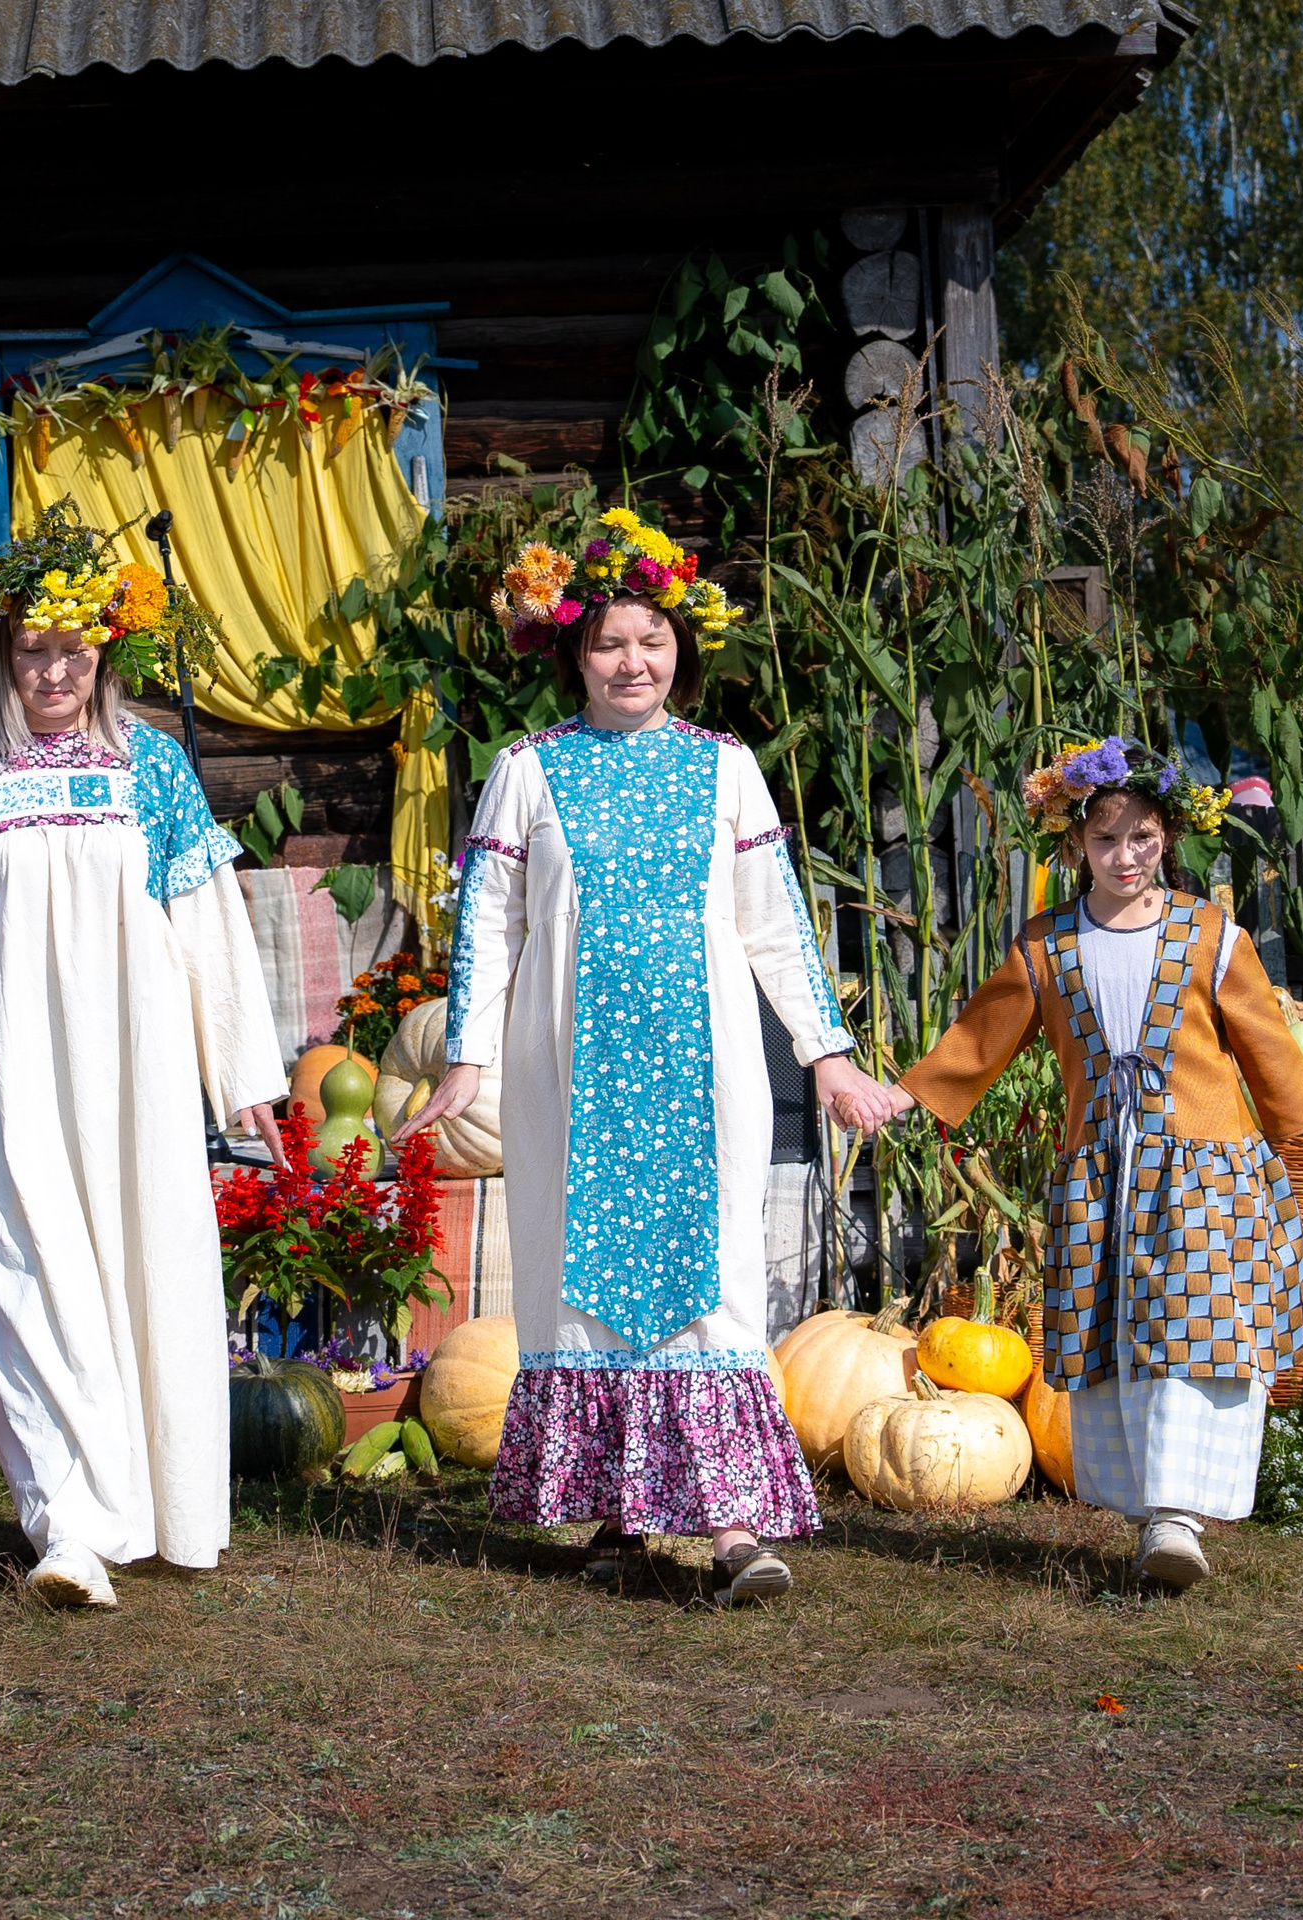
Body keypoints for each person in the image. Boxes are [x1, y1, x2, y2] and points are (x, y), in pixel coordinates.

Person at [405, 510, 912, 1603]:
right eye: (608, 644)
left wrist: (826, 1055)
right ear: (571, 656)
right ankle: (616, 1517)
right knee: (575, 1286)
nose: (632, 663)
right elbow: (487, 924)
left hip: (703, 1066)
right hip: (565, 1075)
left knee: (708, 1280)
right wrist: (466, 1057)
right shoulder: (527, 771)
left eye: (650, 641)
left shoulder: (726, 768)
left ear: (678, 649)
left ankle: (731, 1533)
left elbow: (775, 920)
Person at [0, 501, 287, 1610]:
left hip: (137, 1074)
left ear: (103, 651)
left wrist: (245, 1078)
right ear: (2, 657)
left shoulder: (152, 767)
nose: (51, 671)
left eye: (70, 650)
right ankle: (63, 1525)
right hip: (3, 1073)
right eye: (30, 651)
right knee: (26, 1280)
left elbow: (204, 919)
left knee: (146, 1271)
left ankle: (160, 1508)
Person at [899, 737, 1303, 1591]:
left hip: (1204, 1173)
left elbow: (1271, 1051)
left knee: (1196, 1337)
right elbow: (979, 1040)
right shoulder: (1045, 946)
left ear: (1168, 839)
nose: (1126, 857)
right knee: (1125, 1338)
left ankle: (1178, 1522)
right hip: (1101, 1177)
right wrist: (904, 1096)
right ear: (1074, 843)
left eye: (1143, 838)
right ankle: (1147, 1507)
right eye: (1106, 839)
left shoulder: (1210, 935)